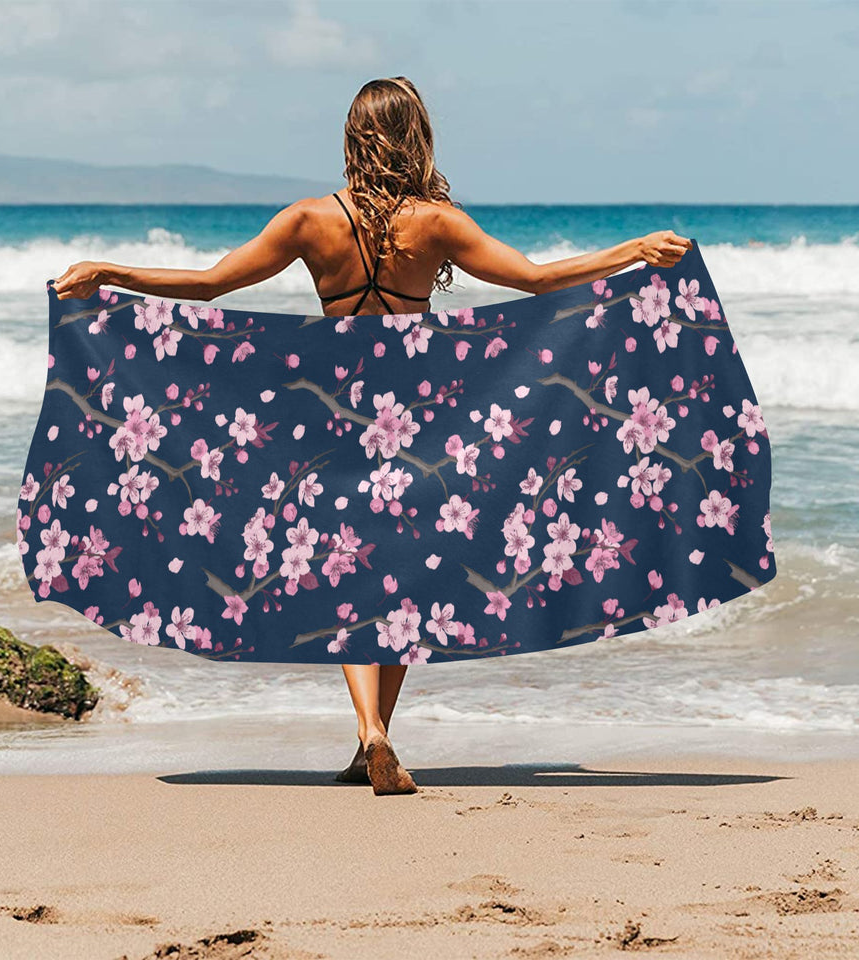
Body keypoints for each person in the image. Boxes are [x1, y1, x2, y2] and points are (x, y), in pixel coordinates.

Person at [54, 76, 692, 796]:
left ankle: (371, 737)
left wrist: (111, 271)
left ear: (354, 136)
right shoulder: (436, 222)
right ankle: (376, 735)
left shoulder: (307, 220)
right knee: (401, 577)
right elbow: (539, 281)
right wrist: (633, 250)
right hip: (418, 416)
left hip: (333, 415)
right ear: (416, 136)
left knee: (345, 575)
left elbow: (208, 286)